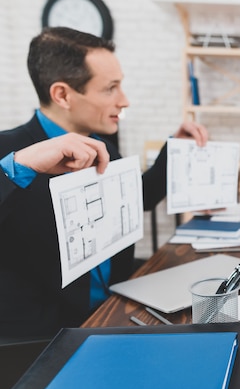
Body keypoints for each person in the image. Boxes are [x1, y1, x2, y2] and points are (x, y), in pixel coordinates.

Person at [0, 27, 208, 339]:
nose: (124, 101)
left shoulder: (102, 146)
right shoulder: (12, 156)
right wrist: (19, 166)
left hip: (116, 314)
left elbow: (137, 200)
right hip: (45, 339)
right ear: (63, 95)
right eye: (110, 88)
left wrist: (173, 151)